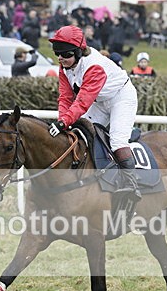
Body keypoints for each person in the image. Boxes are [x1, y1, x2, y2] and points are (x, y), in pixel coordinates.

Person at [48, 25, 141, 202]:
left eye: (66, 54)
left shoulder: (94, 66)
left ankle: (131, 184)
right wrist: (62, 121)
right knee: (80, 132)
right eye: (57, 54)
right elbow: (66, 97)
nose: (61, 58)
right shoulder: (64, 66)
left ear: (78, 51)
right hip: (98, 100)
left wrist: (64, 122)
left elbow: (82, 102)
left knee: (117, 140)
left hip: (121, 97)